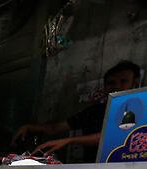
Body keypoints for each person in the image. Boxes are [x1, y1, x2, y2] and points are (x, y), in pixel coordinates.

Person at [12, 61, 141, 161]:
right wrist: (29, 127)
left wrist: (69, 141)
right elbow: (56, 128)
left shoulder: (139, 109)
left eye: (123, 81)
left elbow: (114, 136)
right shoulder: (94, 111)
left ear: (135, 82)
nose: (117, 86)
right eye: (111, 83)